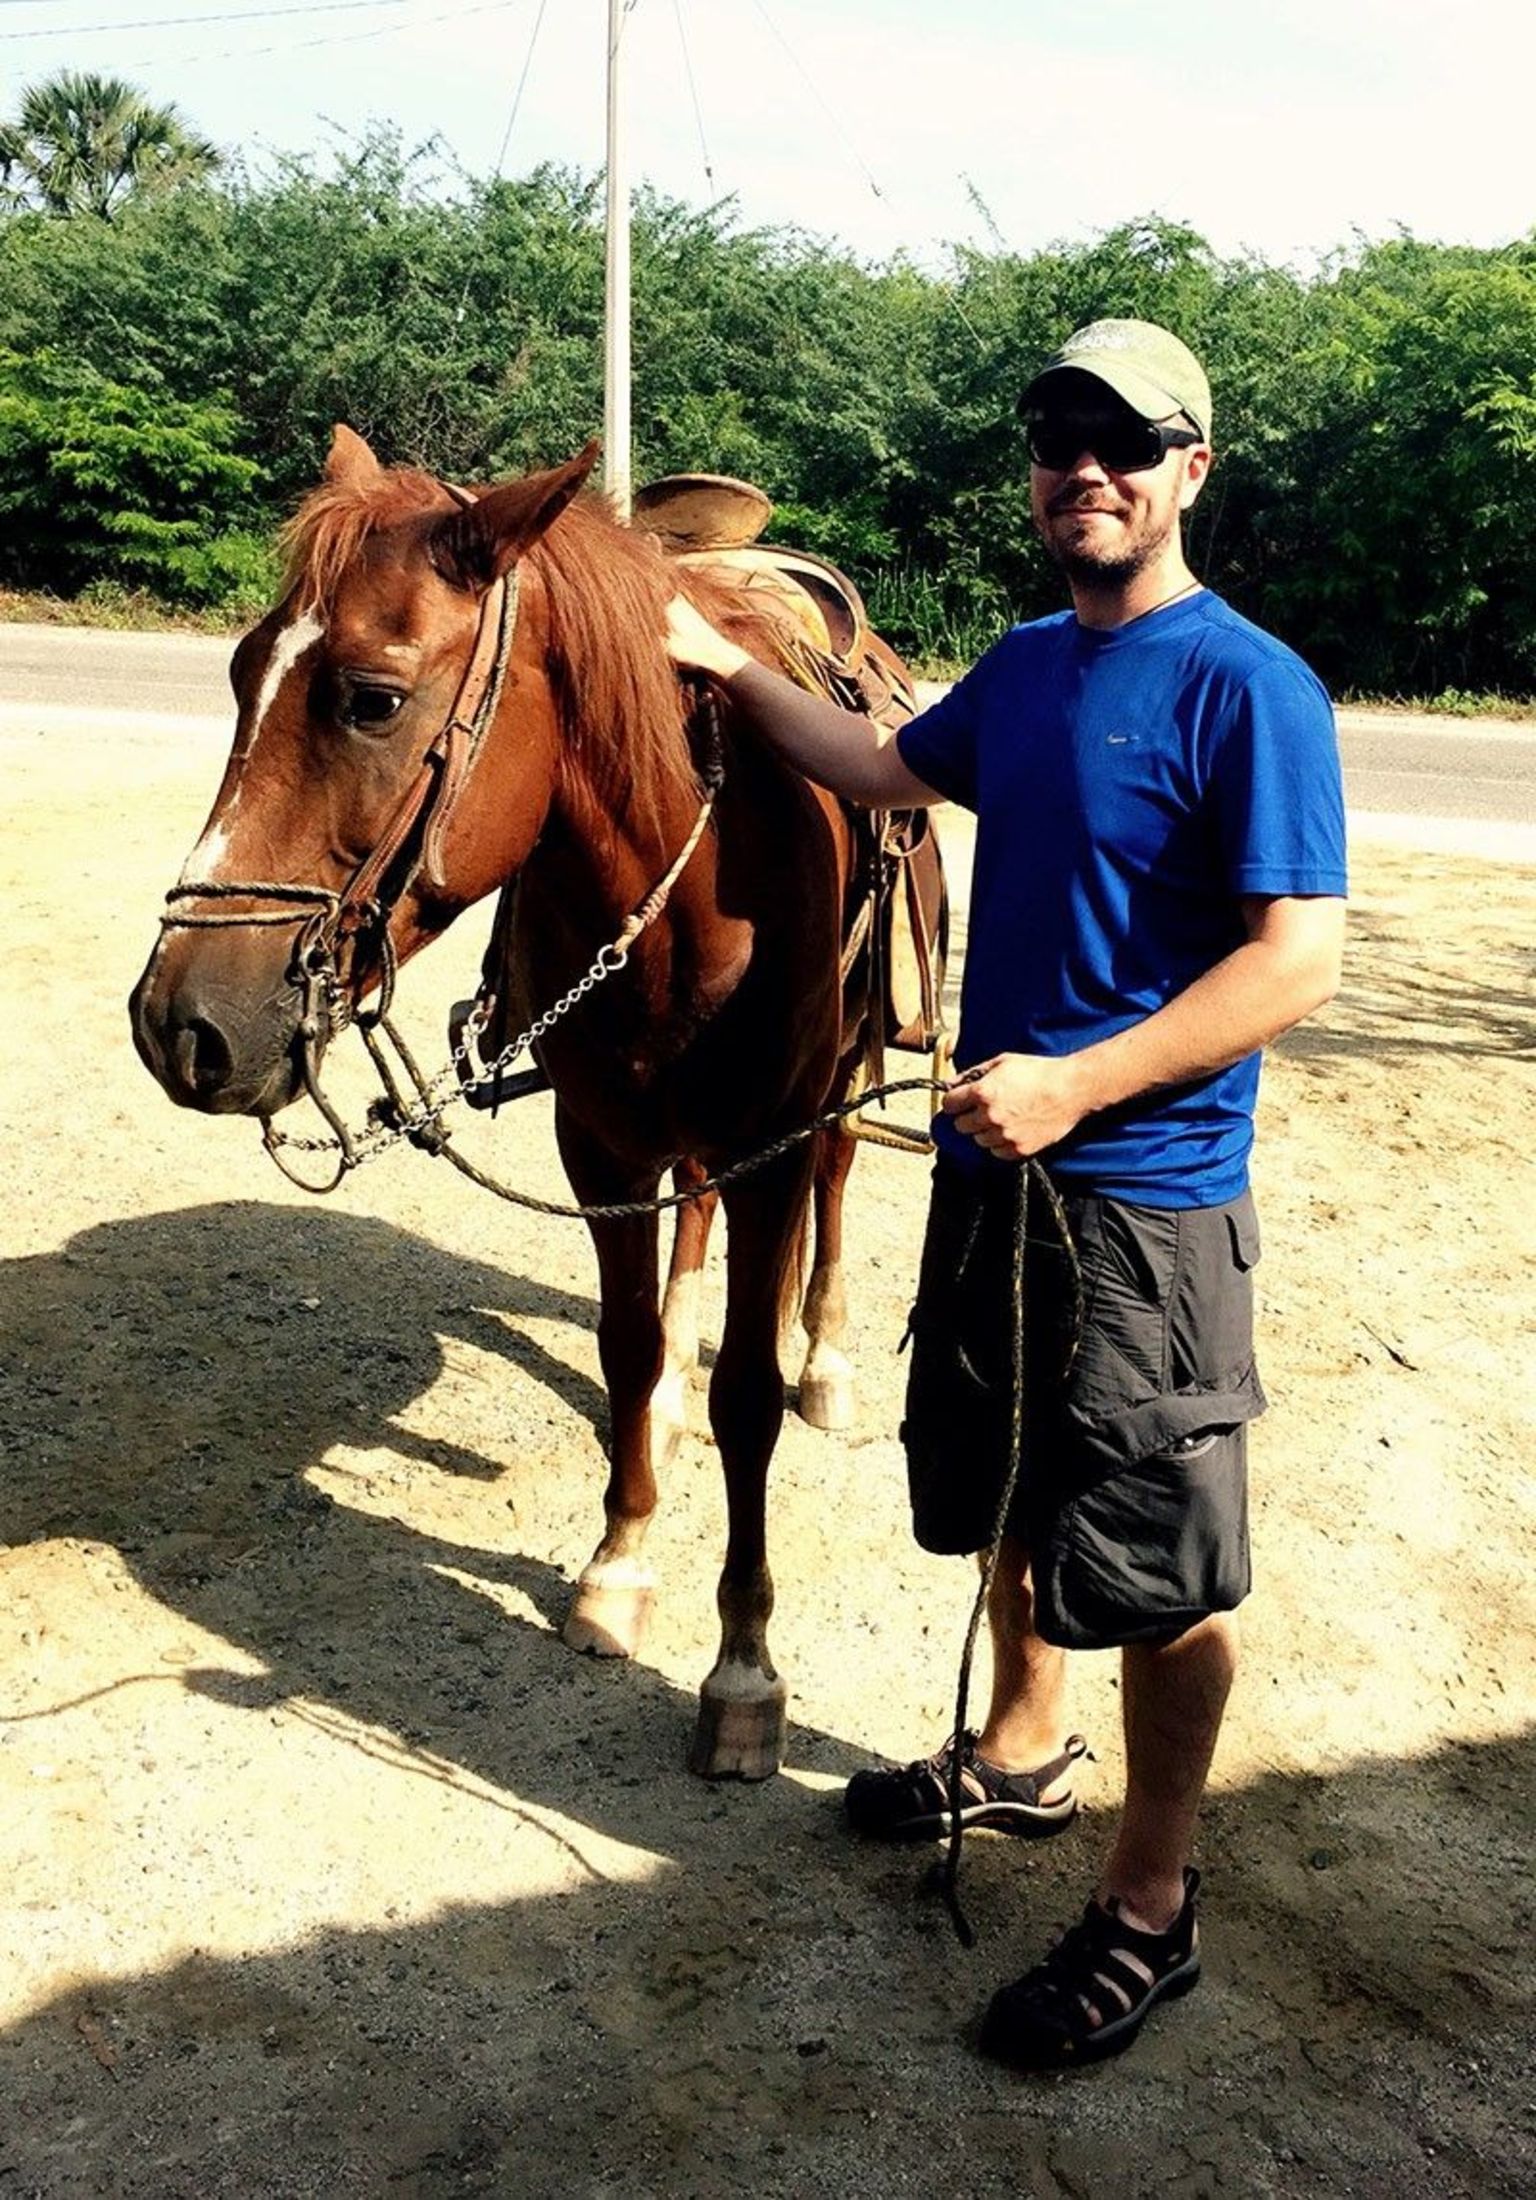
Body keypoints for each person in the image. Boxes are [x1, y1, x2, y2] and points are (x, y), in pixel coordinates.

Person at [664, 318, 1347, 2071]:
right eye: (1059, 442)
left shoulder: (1249, 685)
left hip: (1145, 1197)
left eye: (1124, 444)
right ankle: (1021, 1755)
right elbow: (887, 767)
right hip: (997, 1176)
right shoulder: (1029, 665)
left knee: (1169, 1568)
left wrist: (1077, 1081)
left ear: (1194, 468)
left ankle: (1149, 1909)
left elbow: (1296, 964)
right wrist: (718, 660)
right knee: (1020, 1485)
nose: (1085, 472)